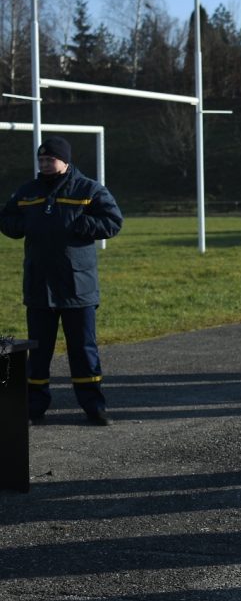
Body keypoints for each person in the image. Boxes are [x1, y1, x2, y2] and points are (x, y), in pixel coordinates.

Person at [0, 136, 123, 426]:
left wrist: (81, 225)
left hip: (77, 287)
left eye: (49, 159)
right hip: (39, 287)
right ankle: (34, 407)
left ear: (65, 161)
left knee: (83, 350)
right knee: (38, 352)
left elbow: (113, 221)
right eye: (41, 160)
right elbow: (6, 219)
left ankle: (94, 406)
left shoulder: (88, 189)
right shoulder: (27, 192)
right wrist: (25, 225)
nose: (44, 164)